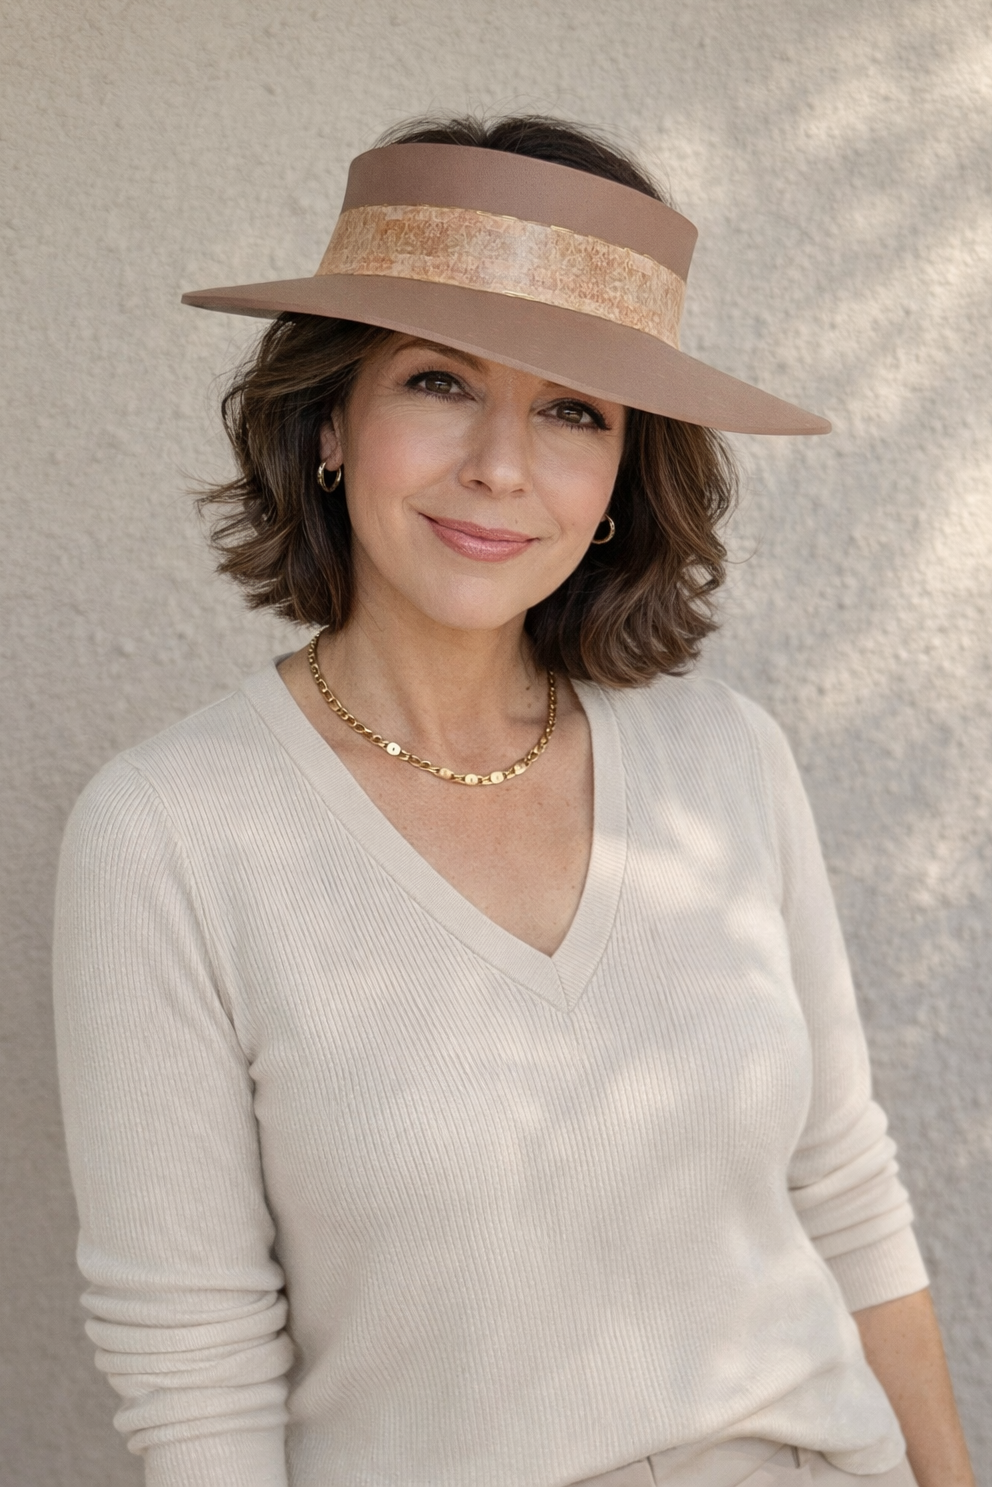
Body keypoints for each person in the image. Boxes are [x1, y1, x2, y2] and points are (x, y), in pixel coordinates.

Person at [53, 115, 974, 1488]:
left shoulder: (728, 757)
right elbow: (193, 1361)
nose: (500, 465)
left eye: (571, 409)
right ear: (325, 427)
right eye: (437, 381)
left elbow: (844, 1195)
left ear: (616, 481)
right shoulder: (169, 834)